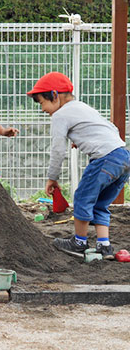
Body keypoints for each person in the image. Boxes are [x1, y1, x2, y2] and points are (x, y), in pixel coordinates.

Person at [27, 72, 130, 260]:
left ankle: (79, 242)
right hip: (123, 156)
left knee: (82, 197)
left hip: (104, 159)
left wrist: (52, 177)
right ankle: (104, 246)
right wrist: (82, 140)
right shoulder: (83, 107)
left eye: (42, 103)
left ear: (55, 95)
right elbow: (109, 129)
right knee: (100, 203)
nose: (42, 109)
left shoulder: (60, 115)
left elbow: (58, 150)